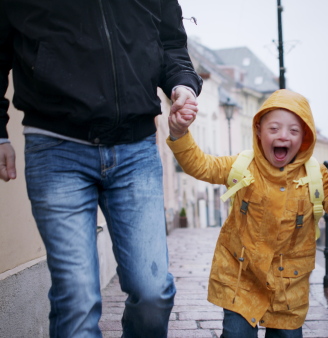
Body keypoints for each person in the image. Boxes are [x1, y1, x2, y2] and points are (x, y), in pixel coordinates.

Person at [0, 1, 202, 337]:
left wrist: (182, 85)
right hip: (55, 147)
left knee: (153, 293)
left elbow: (171, 43)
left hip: (135, 147)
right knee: (76, 302)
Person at [167, 89, 328, 337]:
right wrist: (179, 133)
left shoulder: (315, 175)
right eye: (274, 129)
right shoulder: (242, 165)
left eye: (294, 131)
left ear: (305, 136)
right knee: (237, 334)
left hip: (287, 285)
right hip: (241, 276)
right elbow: (201, 165)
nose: (283, 136)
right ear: (259, 130)